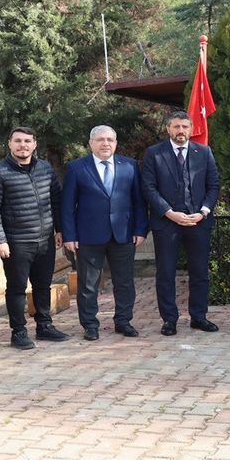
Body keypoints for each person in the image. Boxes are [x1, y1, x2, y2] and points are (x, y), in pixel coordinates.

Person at [0, 127, 70, 350]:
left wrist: (59, 229)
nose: (23, 145)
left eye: (27, 141)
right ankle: (18, 331)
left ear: (34, 144)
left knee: (43, 285)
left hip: (45, 240)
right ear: (9, 144)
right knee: (17, 288)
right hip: (16, 242)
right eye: (18, 141)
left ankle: (44, 326)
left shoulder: (45, 169)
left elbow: (56, 201)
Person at [61, 125, 147, 341]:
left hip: (123, 234)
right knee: (88, 284)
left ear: (116, 143)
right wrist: (69, 235)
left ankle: (123, 321)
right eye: (100, 139)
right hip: (88, 236)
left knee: (125, 282)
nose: (105, 143)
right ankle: (90, 325)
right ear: (91, 143)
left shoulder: (129, 166)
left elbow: (139, 201)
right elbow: (68, 205)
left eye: (110, 139)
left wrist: (140, 229)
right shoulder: (76, 167)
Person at [141, 111, 220, 336]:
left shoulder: (203, 152)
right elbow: (148, 187)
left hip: (198, 222)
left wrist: (203, 212)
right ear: (168, 129)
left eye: (185, 126)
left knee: (199, 272)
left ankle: (199, 317)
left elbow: (213, 185)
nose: (181, 131)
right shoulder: (154, 153)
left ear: (191, 128)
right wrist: (168, 212)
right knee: (166, 273)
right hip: (167, 224)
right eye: (176, 126)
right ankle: (169, 320)